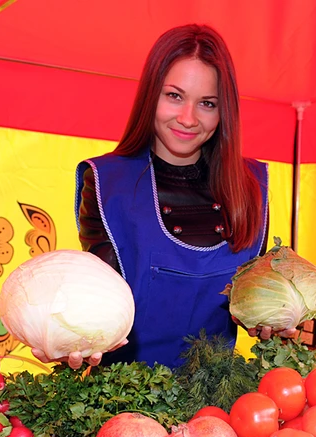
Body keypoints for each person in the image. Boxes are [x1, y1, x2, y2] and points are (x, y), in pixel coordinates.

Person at [69, 24, 272, 369]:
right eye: (174, 96)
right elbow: (98, 306)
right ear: (151, 94)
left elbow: (248, 303)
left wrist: (269, 318)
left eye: (207, 103)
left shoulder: (252, 185)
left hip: (219, 409)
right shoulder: (106, 184)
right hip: (125, 403)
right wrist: (69, 341)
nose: (188, 119)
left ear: (225, 111)